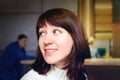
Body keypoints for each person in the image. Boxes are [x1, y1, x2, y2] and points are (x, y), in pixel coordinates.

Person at [21, 8, 89, 80]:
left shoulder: (80, 74)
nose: (46, 41)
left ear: (75, 38)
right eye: (42, 33)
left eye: (56, 32)